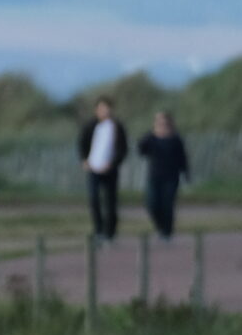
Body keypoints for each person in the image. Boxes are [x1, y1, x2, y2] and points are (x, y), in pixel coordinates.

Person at [79, 96, 128, 240]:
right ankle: (98, 230)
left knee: (110, 200)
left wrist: (113, 163)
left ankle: (110, 232)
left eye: (107, 108)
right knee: (94, 199)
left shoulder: (117, 127)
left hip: (110, 169)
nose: (105, 111)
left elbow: (122, 149)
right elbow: (82, 143)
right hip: (93, 168)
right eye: (101, 108)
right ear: (96, 110)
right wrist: (84, 160)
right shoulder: (90, 126)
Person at [139, 110, 191, 239]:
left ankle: (167, 231)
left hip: (171, 177)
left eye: (164, 122)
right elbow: (141, 149)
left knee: (167, 204)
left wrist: (186, 174)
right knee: (152, 204)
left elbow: (182, 157)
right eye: (159, 122)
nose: (162, 124)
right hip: (154, 176)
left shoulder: (175, 139)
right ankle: (160, 227)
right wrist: (151, 134)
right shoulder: (151, 138)